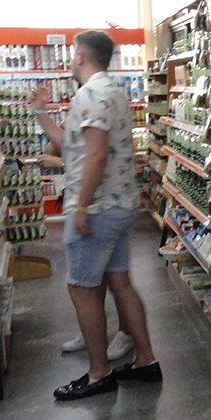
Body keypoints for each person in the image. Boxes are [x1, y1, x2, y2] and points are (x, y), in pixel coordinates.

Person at [30, 30, 161, 400]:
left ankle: (99, 373)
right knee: (120, 282)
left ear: (80, 56)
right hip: (120, 205)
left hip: (98, 208)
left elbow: (96, 156)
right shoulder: (110, 90)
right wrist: (40, 112)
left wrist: (82, 207)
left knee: (82, 289)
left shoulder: (91, 94)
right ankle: (146, 361)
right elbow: (70, 146)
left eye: (73, 53)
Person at [38, 142, 135, 360]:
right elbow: (49, 153)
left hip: (104, 204)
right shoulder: (79, 120)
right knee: (95, 280)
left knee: (111, 280)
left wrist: (61, 162)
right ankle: (94, 332)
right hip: (88, 203)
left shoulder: (100, 119)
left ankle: (125, 336)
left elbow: (100, 160)